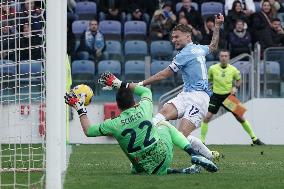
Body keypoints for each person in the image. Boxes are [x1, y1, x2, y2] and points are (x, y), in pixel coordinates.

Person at [64, 72, 218, 175]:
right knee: (163, 124)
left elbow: (89, 131)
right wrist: (118, 83)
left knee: (137, 166)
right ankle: (192, 154)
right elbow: (145, 91)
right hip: (163, 157)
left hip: (142, 167)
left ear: (118, 106)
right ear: (134, 101)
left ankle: (179, 169)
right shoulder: (145, 107)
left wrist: (80, 109)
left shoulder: (113, 123)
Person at [136, 14, 225, 160]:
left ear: (188, 37)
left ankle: (204, 159)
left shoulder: (184, 54)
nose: (173, 40)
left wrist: (142, 83)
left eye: (177, 37)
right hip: (186, 94)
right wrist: (217, 27)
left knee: (181, 135)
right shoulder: (198, 49)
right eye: (173, 37)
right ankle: (146, 146)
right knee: (162, 115)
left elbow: (164, 74)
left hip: (199, 98)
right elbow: (213, 46)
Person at [200, 49, 265, 145]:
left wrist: (235, 87)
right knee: (207, 117)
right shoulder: (213, 68)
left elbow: (239, 80)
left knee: (240, 117)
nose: (224, 58)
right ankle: (202, 141)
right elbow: (208, 80)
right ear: (219, 57)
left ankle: (254, 138)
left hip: (228, 96)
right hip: (216, 96)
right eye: (222, 56)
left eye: (226, 56)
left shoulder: (233, 69)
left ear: (229, 57)